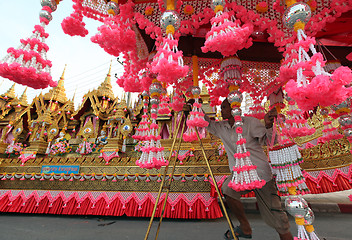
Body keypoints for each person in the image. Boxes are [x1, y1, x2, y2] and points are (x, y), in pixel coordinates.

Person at [205, 99, 293, 240]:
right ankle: (245, 227)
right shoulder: (222, 127)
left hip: (260, 174)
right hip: (239, 175)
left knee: (277, 216)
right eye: (221, 107)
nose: (221, 110)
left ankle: (286, 235)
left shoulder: (251, 123)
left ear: (234, 108)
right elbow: (206, 123)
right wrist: (193, 106)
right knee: (228, 189)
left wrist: (269, 125)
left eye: (224, 107)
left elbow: (269, 141)